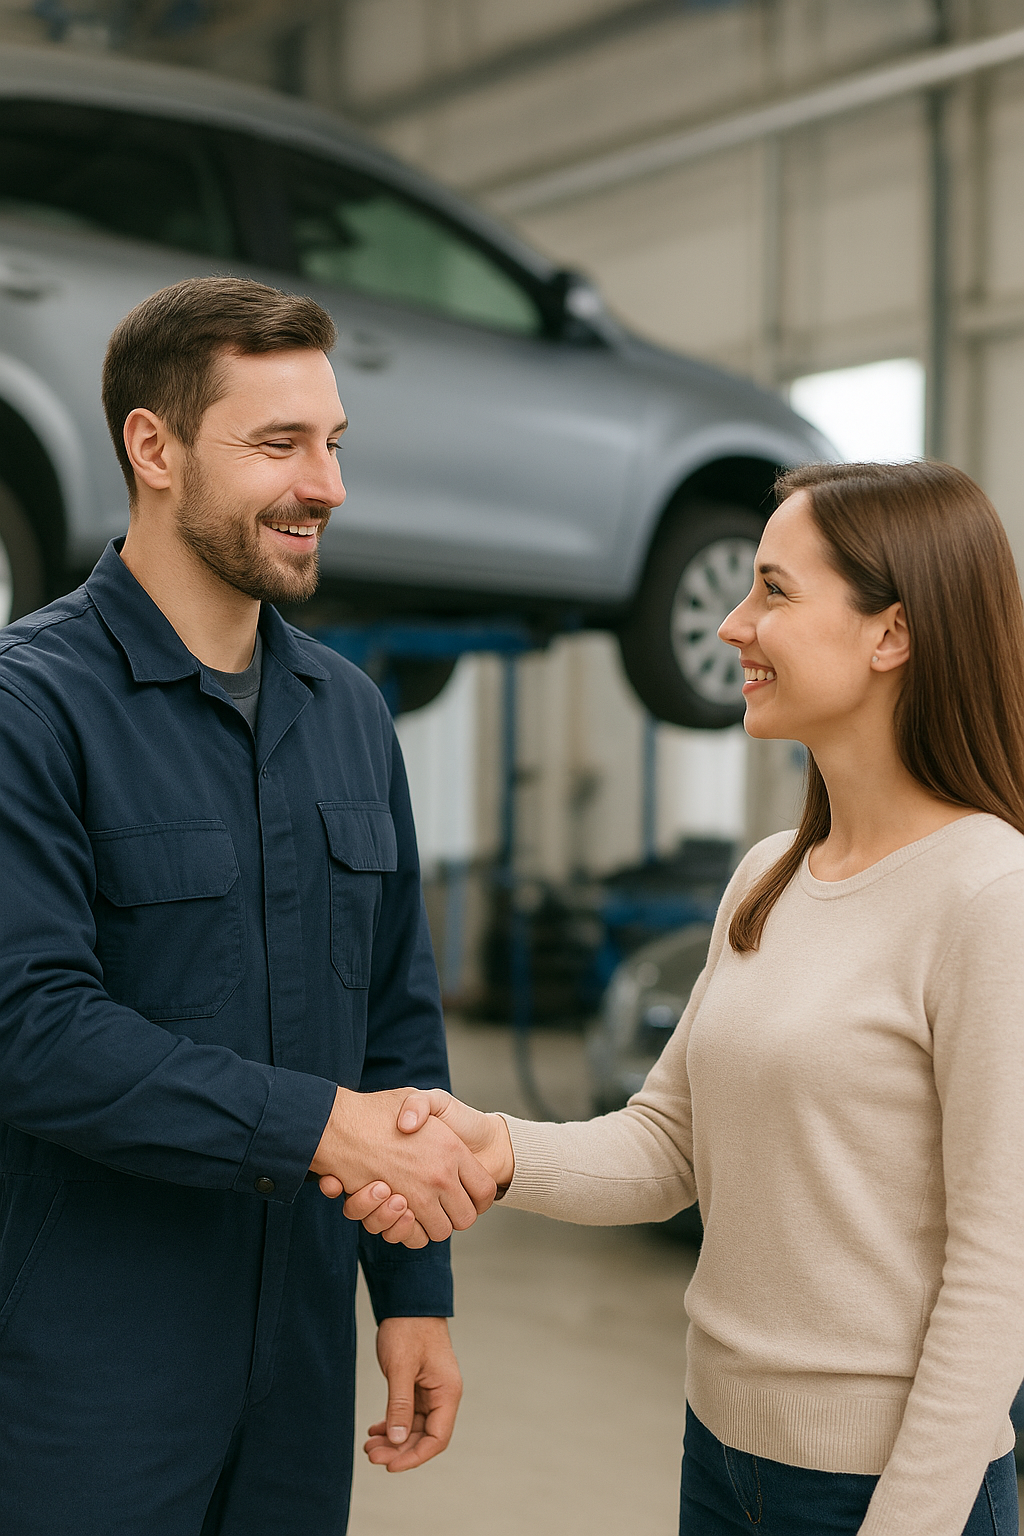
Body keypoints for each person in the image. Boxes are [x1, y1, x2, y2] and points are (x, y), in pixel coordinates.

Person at [342, 461, 1024, 1535]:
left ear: (890, 634)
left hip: (884, 1491)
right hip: (719, 1456)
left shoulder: (989, 893)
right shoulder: (768, 876)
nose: (731, 626)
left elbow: (1001, 1268)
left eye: (774, 592)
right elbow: (668, 1149)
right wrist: (493, 1150)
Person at [0, 275, 495, 1536]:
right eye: (278, 445)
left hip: (297, 1360)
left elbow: (397, 1021)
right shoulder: (32, 710)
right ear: (152, 448)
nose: (324, 485)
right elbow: (34, 1032)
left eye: (332, 445)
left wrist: (415, 1293)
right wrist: (327, 1128)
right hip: (84, 1359)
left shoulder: (350, 713)